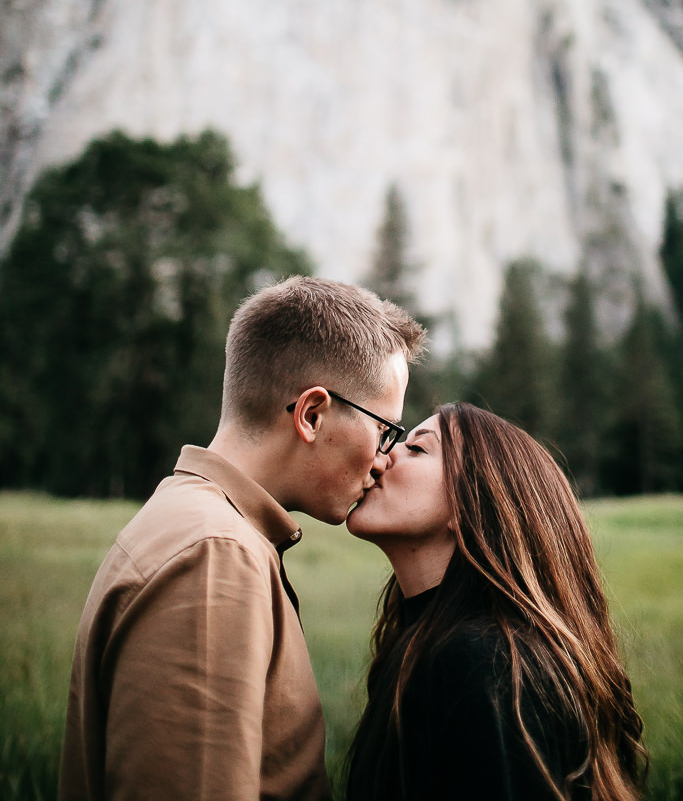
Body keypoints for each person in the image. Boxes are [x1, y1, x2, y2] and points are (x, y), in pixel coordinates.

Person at [59, 275, 425, 801]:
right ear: (312, 414)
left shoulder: (201, 526)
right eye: (385, 429)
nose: (386, 456)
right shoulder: (214, 555)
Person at [345, 403, 647, 801]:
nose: (383, 457)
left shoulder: (484, 662)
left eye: (417, 449)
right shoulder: (428, 643)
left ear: (472, 502)